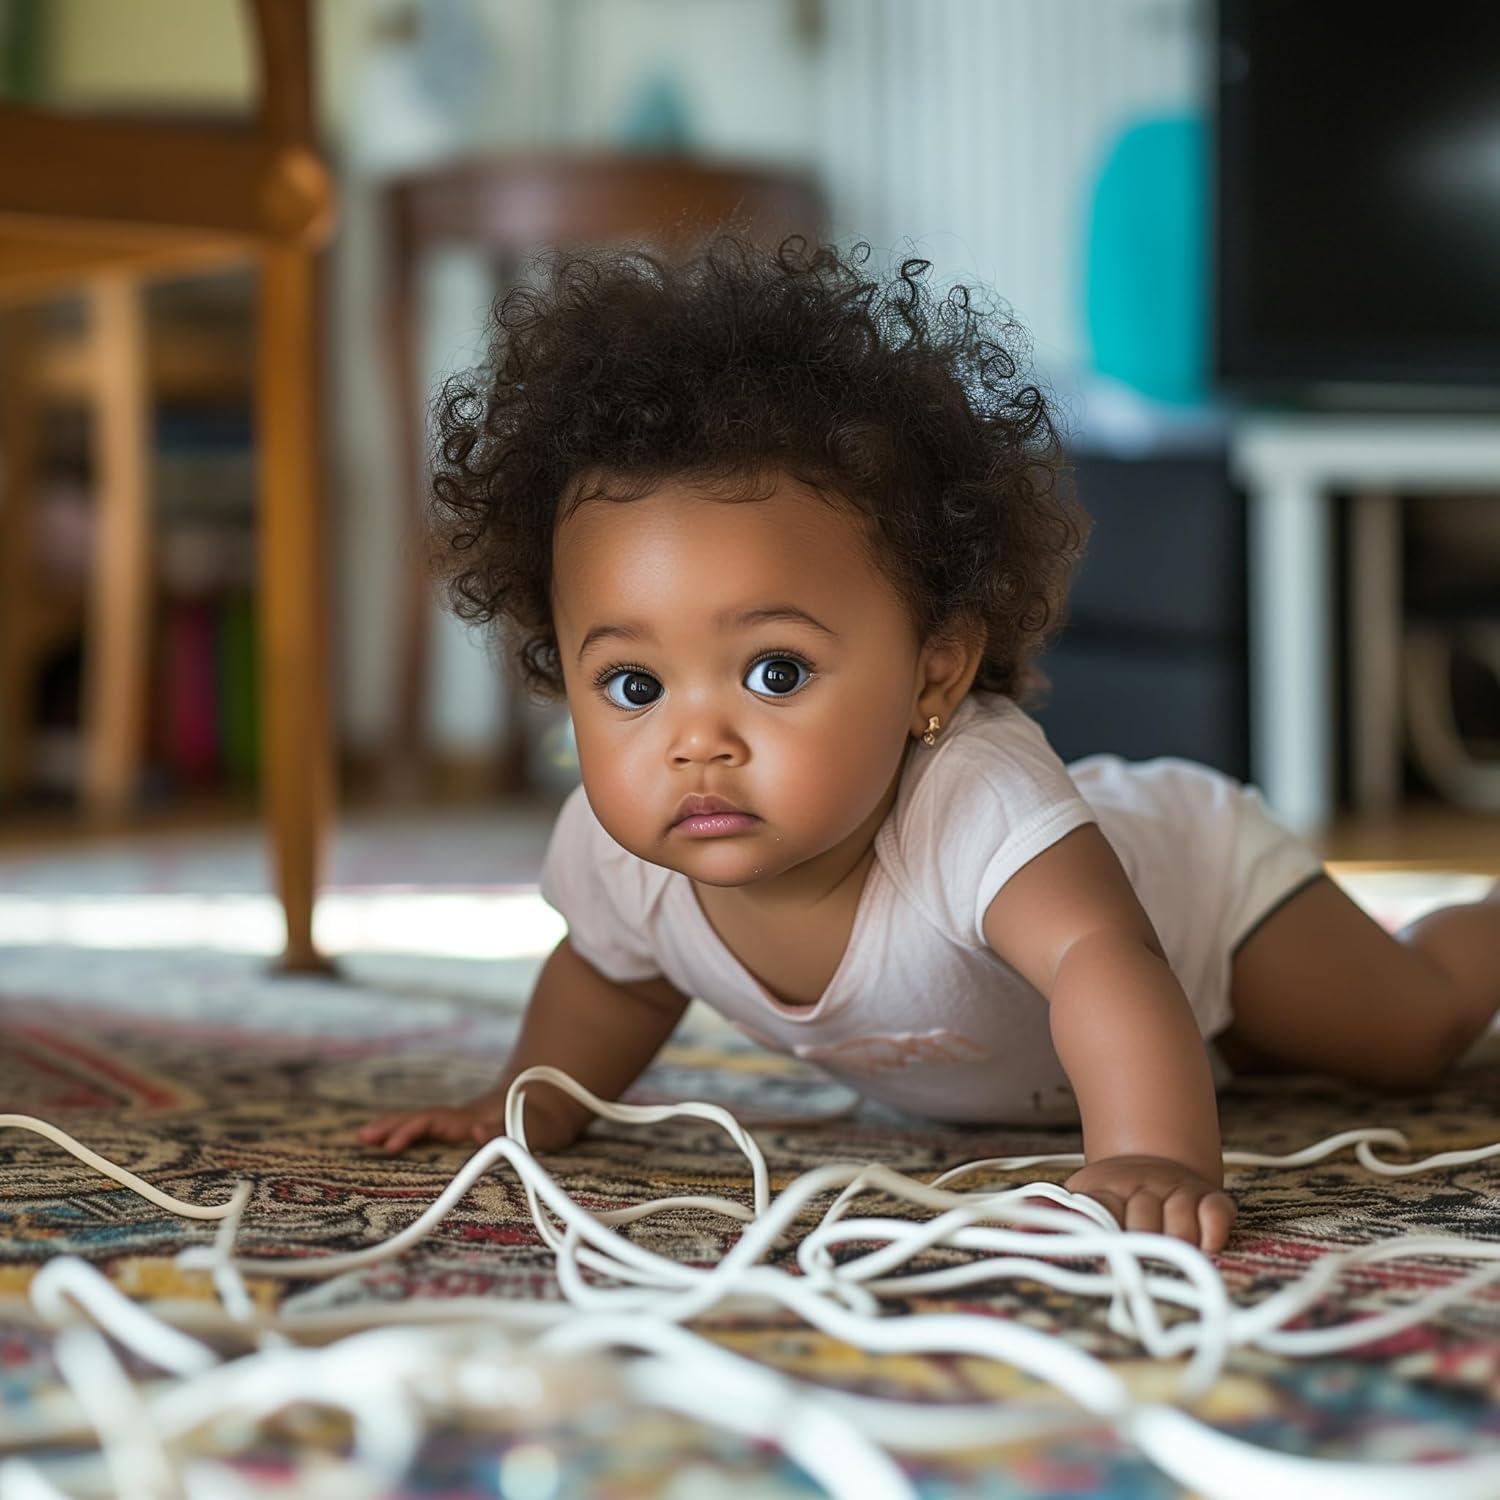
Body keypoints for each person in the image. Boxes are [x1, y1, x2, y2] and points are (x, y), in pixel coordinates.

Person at [360, 233, 1500, 1254]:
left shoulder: (978, 802)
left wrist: (1154, 1153)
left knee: (1409, 1033)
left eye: (775, 672)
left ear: (934, 673)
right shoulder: (619, 857)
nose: (695, 741)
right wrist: (531, 1103)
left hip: (1204, 916)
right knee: (1266, 1067)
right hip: (1045, 1053)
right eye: (633, 683)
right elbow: (610, 981)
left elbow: (1109, 964)